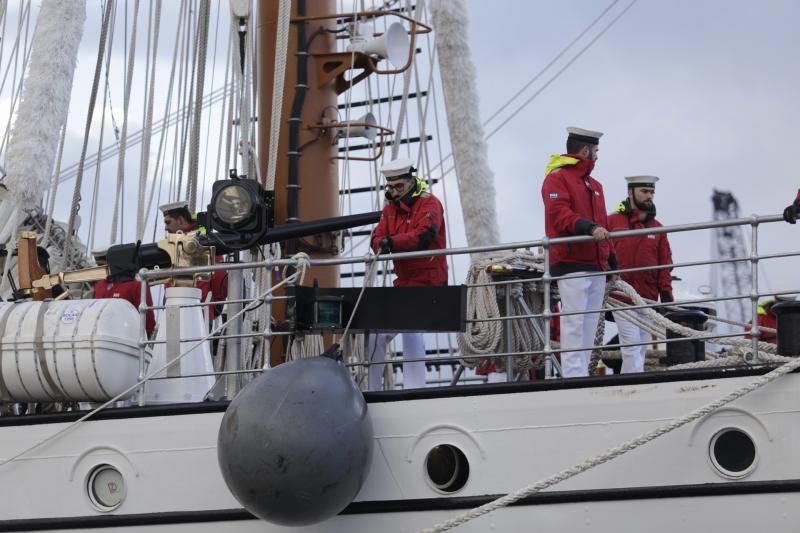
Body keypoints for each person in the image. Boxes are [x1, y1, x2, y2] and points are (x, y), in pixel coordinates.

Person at [541, 127, 618, 378]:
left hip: (595, 262)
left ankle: (581, 374)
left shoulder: (595, 185)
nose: (597, 156)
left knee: (589, 325)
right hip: (571, 262)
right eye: (596, 151)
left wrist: (612, 263)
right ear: (586, 150)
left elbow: (603, 222)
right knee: (573, 323)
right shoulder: (557, 178)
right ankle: (573, 378)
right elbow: (559, 214)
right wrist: (589, 227)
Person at [368, 157, 447, 390]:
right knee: (375, 333)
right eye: (390, 187)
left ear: (411, 181)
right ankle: (372, 390)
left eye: (399, 187)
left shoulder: (430, 204)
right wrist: (383, 242)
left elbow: (425, 235)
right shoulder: (389, 210)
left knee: (412, 327)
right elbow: (376, 239)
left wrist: (390, 242)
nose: (394, 192)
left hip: (429, 283)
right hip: (404, 283)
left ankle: (415, 387)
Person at [607, 175, 674, 373]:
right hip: (621, 296)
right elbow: (601, 255)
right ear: (630, 193)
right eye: (644, 192)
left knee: (642, 346)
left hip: (647, 298)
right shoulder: (611, 222)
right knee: (631, 344)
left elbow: (665, 263)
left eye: (651, 192)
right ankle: (632, 384)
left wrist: (666, 294)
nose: (649, 196)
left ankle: (632, 383)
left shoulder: (657, 228)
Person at [159, 201, 228, 320]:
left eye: (168, 222)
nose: (165, 227)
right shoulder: (175, 245)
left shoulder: (204, 242)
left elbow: (219, 279)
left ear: (180, 220)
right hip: (179, 315)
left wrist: (211, 308)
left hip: (197, 316)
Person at [92, 247, 156, 337]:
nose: (101, 269)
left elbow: (147, 321)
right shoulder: (99, 285)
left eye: (103, 265)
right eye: (99, 265)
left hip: (127, 341)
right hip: (101, 340)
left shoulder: (136, 285)